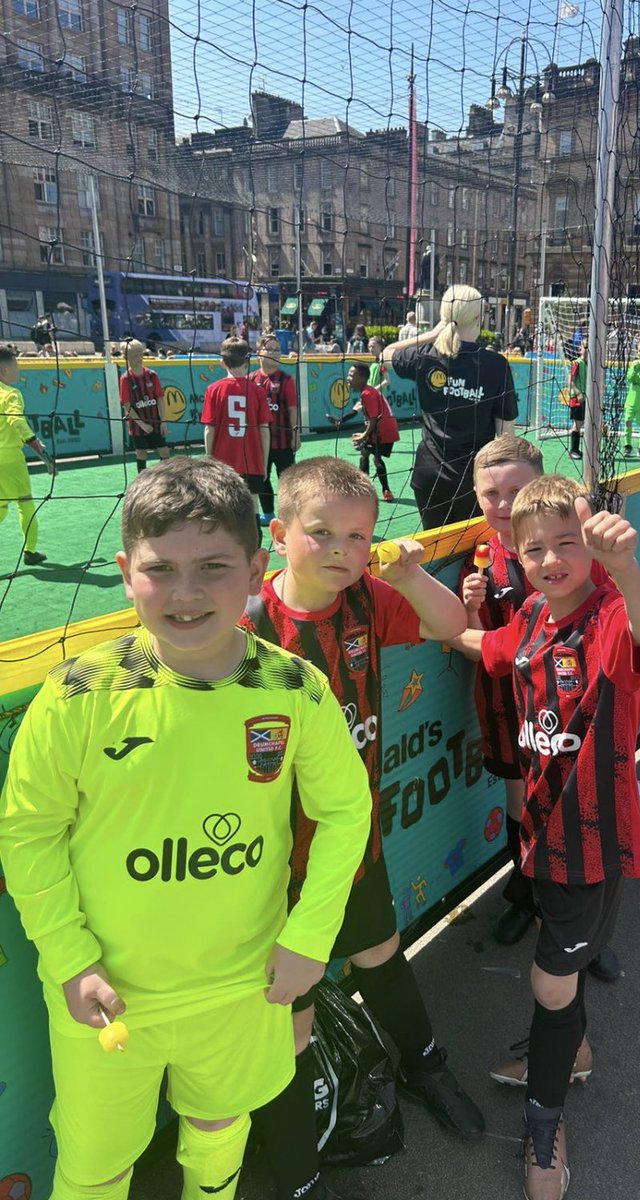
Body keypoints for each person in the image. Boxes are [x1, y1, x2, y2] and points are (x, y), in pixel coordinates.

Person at [0, 457, 371, 1200]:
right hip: (109, 995)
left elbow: (345, 811)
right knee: (97, 1166)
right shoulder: (78, 692)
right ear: (123, 570)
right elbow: (28, 832)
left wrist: (309, 939)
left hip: (243, 985)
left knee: (218, 1128)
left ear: (256, 566)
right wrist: (72, 960)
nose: (187, 592)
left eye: (212, 566)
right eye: (159, 569)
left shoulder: (294, 687)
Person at [239, 458, 483, 1200]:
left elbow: (453, 625)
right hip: (271, 867)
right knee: (289, 1012)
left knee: (380, 951)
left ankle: (426, 1066)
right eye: (321, 533)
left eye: (358, 536)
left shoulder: (369, 600)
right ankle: (300, 1168)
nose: (343, 549)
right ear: (279, 535)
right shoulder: (247, 619)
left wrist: (410, 576)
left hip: (353, 844)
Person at [456, 475, 640, 1200]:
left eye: (567, 543)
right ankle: (570, 1049)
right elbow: (469, 637)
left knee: (549, 978)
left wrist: (630, 568)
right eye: (535, 548)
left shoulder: (608, 615)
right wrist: (393, 580)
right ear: (516, 555)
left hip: (591, 848)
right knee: (560, 974)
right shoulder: (534, 623)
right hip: (540, 837)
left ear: (592, 546)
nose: (551, 558)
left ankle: (545, 1125)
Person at [454, 437, 544, 946]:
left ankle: (580, 924)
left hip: (569, 712)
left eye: (517, 489)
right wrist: (469, 609)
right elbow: (474, 647)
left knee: (574, 808)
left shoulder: (571, 549)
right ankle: (528, 895)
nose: (504, 504)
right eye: (491, 494)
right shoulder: (482, 563)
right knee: (522, 805)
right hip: (508, 709)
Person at [383, 284, 518, 529]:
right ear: (478, 318)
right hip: (475, 481)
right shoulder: (495, 365)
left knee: (437, 552)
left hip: (430, 477)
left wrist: (432, 333)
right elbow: (506, 437)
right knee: (476, 555)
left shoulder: (426, 356)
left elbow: (386, 353)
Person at [201, 337, 272, 512]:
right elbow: (264, 431)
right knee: (252, 507)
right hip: (252, 462)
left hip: (222, 464)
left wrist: (209, 459)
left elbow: (209, 430)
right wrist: (263, 462)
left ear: (222, 362)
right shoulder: (258, 391)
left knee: (223, 508)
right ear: (248, 361)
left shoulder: (213, 389)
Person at [0, 345, 54, 565]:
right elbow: (16, 421)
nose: (19, 370)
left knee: (2, 506)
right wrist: (39, 450)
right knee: (25, 503)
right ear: (3, 370)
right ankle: (30, 551)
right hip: (10, 460)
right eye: (16, 365)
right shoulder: (12, 394)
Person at [252, 335, 299, 524]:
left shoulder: (285, 379)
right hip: (259, 443)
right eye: (269, 348)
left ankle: (293, 515)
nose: (273, 352)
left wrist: (296, 435)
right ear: (258, 354)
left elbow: (293, 409)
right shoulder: (251, 379)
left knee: (287, 480)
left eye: (276, 349)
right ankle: (269, 514)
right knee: (262, 478)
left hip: (283, 441)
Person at [346, 361, 399, 501]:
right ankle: (378, 490)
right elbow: (372, 418)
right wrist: (365, 434)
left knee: (374, 457)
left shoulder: (367, 394)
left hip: (383, 431)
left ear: (362, 378)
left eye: (351, 375)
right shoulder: (368, 391)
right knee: (366, 454)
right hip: (385, 429)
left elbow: (374, 419)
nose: (348, 378)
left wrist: (364, 435)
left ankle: (370, 490)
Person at [118, 339, 170, 473]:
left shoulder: (152, 375)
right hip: (137, 425)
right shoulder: (125, 379)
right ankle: (141, 481)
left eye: (140, 354)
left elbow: (160, 399)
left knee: (164, 451)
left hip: (155, 422)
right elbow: (126, 405)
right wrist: (142, 425)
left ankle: (165, 479)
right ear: (126, 357)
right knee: (141, 453)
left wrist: (163, 422)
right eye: (135, 355)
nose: (139, 358)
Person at [567, 344, 588, 461]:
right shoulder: (577, 363)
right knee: (578, 423)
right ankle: (573, 450)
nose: (588, 350)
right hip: (577, 398)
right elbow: (570, 380)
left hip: (586, 398)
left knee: (584, 422)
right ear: (580, 350)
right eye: (586, 347)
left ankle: (579, 449)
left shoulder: (589, 364)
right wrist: (578, 393)